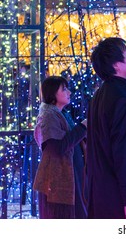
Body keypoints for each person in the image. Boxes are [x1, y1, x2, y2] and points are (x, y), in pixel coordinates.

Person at [87, 37, 126, 219]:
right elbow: (125, 152)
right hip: (118, 199)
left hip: (101, 193)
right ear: (115, 65)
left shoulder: (99, 95)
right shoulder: (122, 99)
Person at [33, 76, 87, 219]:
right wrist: (83, 126)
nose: (69, 92)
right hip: (58, 180)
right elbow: (58, 147)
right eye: (64, 89)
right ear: (52, 94)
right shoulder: (49, 116)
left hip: (69, 173)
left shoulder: (61, 114)